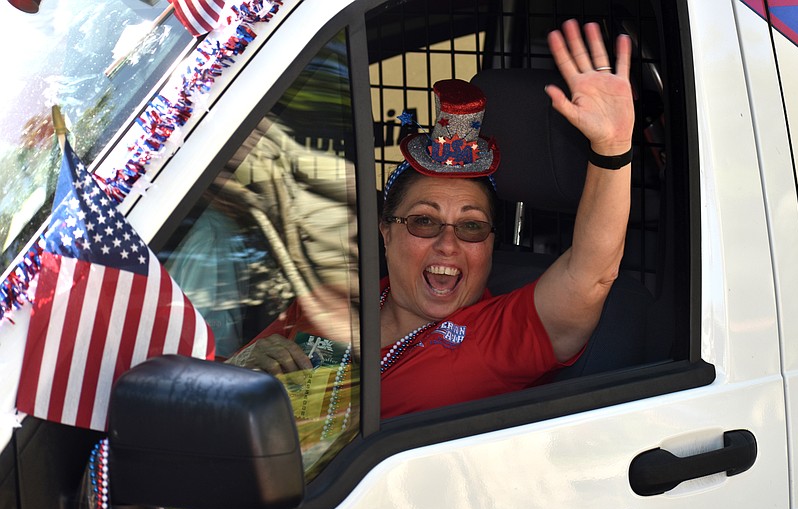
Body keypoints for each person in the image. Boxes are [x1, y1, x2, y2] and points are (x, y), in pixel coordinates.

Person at [231, 19, 634, 420]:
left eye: (472, 226)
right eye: (424, 221)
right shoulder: (327, 304)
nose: (448, 243)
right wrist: (242, 367)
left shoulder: (503, 333)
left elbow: (591, 274)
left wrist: (612, 148)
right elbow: (222, 388)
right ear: (385, 231)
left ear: (492, 241)